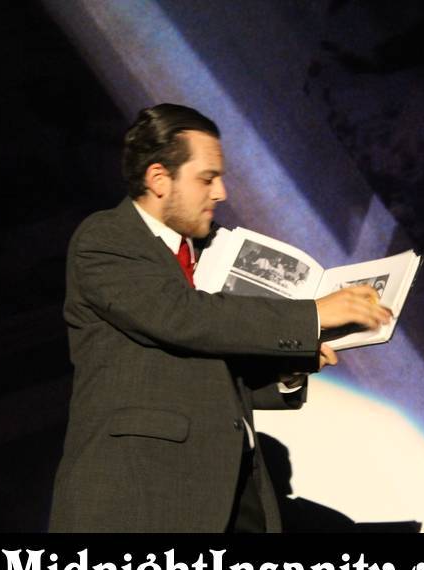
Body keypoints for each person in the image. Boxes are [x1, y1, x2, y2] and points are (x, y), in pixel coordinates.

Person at [48, 103, 390, 532]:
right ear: (159, 179)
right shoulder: (106, 238)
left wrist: (285, 371)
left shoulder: (208, 253)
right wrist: (312, 314)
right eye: (207, 179)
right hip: (144, 490)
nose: (221, 192)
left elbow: (206, 368)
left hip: (230, 489)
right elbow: (180, 317)